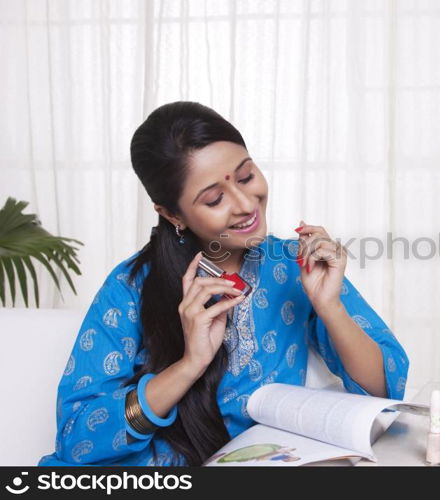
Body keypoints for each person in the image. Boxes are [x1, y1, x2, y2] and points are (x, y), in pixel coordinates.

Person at [38, 102, 409, 466]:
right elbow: (76, 441)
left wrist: (330, 307)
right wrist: (190, 364)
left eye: (247, 176)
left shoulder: (297, 265)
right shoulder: (130, 287)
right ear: (171, 214)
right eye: (214, 199)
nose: (246, 204)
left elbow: (384, 391)